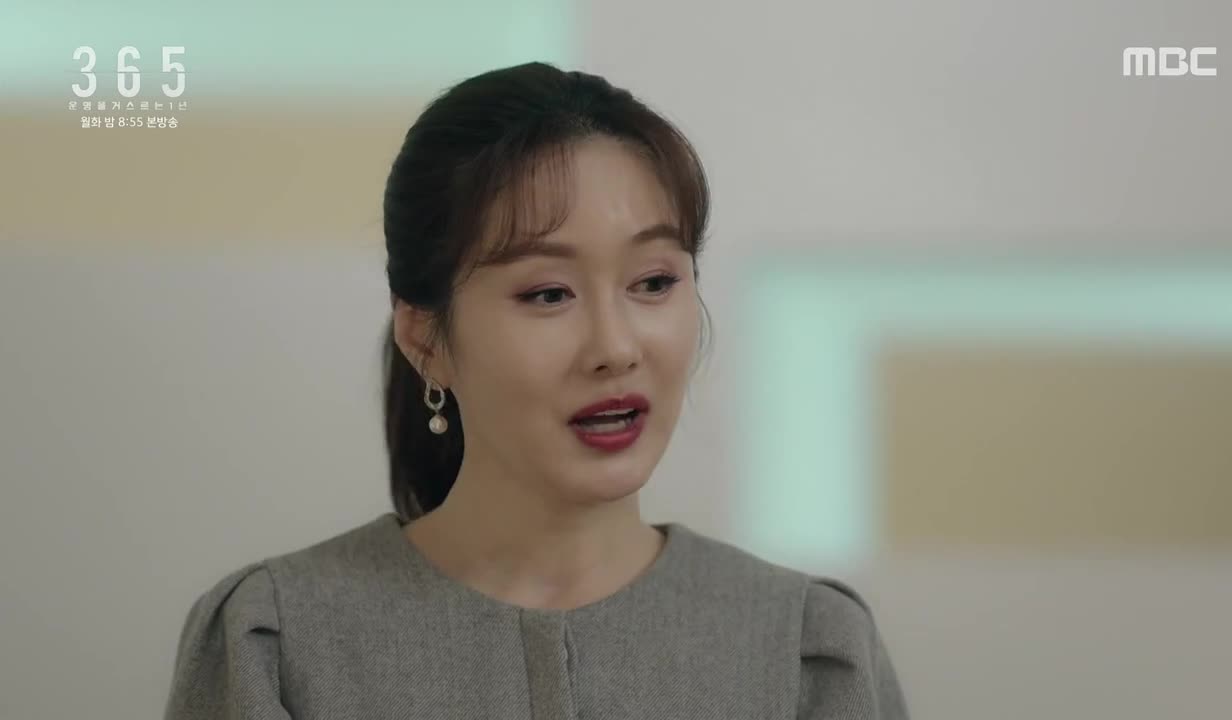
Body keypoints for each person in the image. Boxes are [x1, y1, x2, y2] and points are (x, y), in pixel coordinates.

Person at [162, 61, 910, 719]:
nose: (616, 348)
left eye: (654, 282)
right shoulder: (277, 644)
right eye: (549, 293)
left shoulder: (806, 651)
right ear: (425, 339)